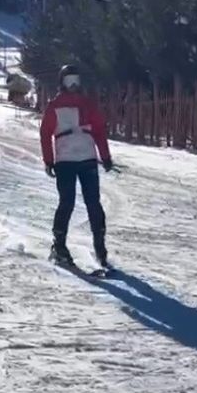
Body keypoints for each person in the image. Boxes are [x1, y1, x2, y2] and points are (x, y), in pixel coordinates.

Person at [39, 64, 114, 268]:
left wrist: (105, 156)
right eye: (69, 81)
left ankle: (99, 246)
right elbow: (45, 133)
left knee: (92, 203)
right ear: (62, 83)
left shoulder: (87, 105)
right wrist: (49, 160)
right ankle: (60, 245)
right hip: (65, 161)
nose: (73, 86)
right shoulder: (55, 106)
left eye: (76, 81)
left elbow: (99, 130)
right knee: (68, 202)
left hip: (86, 157)